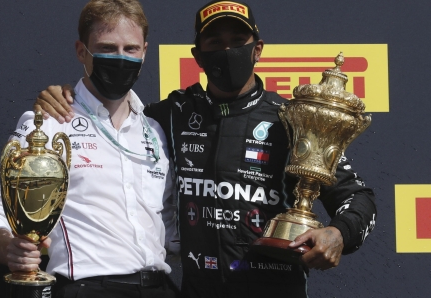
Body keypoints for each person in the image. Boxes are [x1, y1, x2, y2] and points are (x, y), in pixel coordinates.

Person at [34, 1, 377, 297]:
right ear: (198, 56)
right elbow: (110, 111)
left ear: (257, 49)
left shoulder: (292, 121)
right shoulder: (168, 117)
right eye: (215, 42)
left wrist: (338, 233)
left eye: (237, 41)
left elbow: (359, 198)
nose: (227, 51)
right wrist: (67, 97)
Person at [0, 1, 179, 297]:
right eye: (107, 48)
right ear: (82, 51)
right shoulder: (47, 125)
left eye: (130, 49)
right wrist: (9, 249)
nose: (120, 58)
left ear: (145, 51)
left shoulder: (157, 131)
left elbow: (170, 228)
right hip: (89, 287)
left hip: (161, 287)